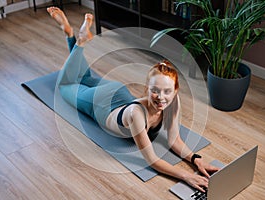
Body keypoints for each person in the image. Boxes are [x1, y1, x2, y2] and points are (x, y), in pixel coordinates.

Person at [47, 7, 219, 192]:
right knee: (65, 85)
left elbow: (173, 140)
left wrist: (195, 159)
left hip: (119, 92)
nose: (161, 98)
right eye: (155, 91)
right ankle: (78, 41)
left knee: (85, 78)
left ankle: (71, 34)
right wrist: (187, 176)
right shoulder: (137, 114)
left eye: (167, 91)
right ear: (147, 89)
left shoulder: (172, 102)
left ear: (175, 91)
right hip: (101, 104)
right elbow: (152, 160)